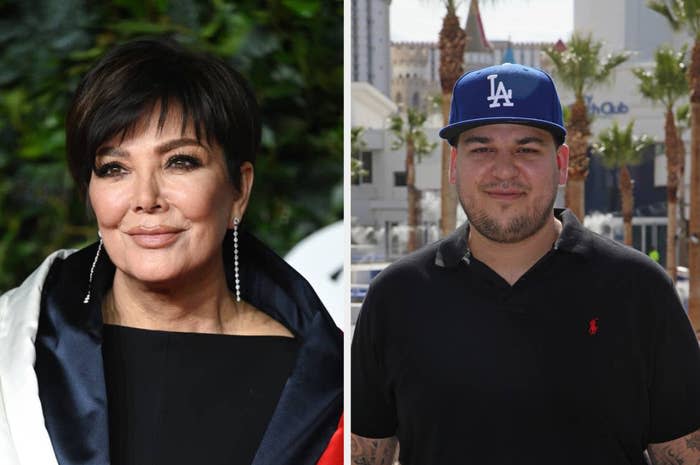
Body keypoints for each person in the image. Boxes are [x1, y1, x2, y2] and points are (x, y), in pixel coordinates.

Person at [0, 38, 342, 465]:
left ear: (239, 190)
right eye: (114, 168)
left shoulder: (325, 390)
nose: (146, 197)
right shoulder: (17, 351)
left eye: (180, 162)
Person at [351, 63, 700, 465]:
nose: (503, 170)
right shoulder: (397, 297)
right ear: (452, 165)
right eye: (481, 149)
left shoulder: (639, 290)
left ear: (562, 162)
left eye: (526, 149)